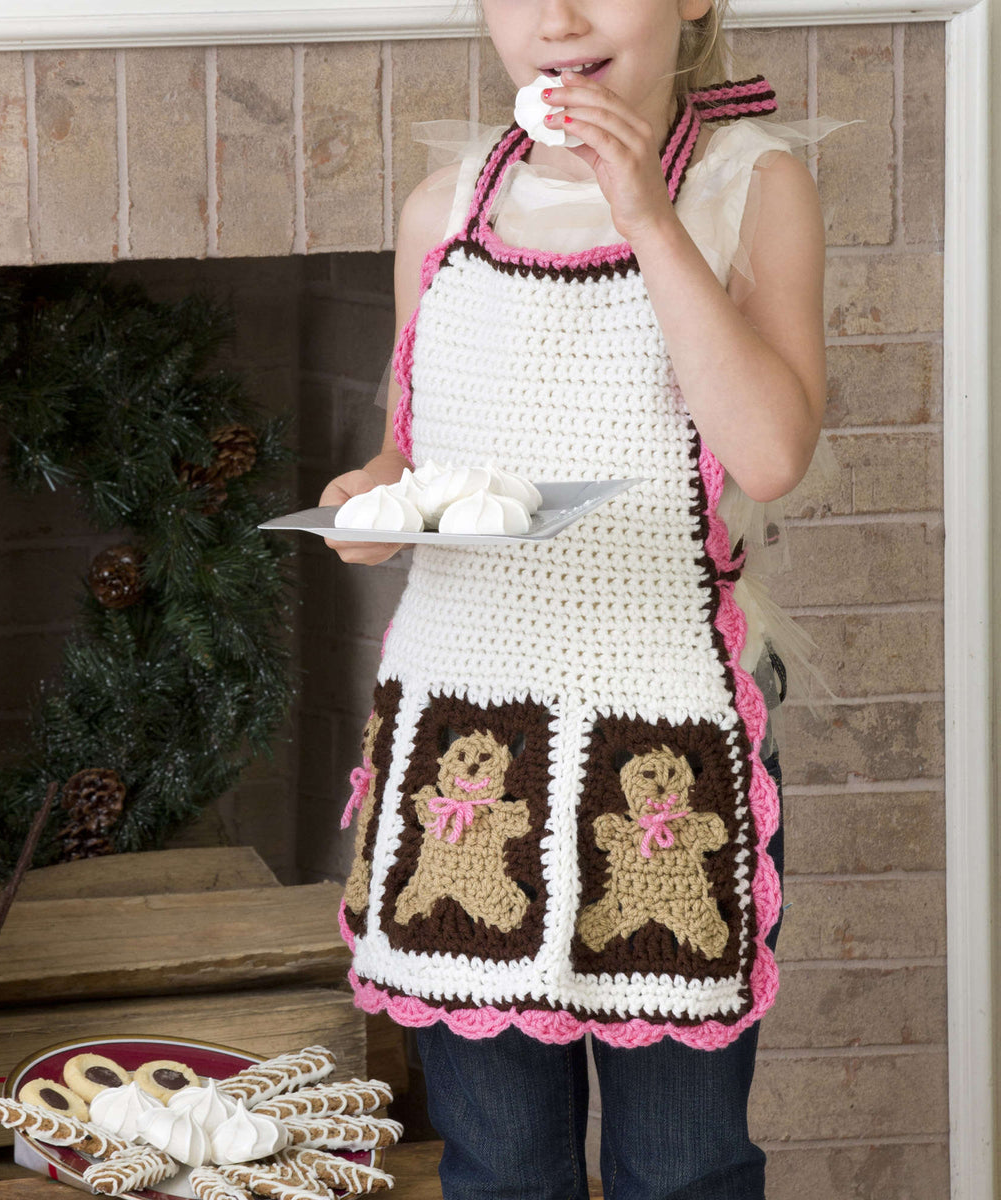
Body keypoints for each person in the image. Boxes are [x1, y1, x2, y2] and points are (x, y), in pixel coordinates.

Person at [320, 1, 827, 1196]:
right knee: (499, 1161)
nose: (555, 18)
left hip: (665, 747)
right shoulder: (440, 209)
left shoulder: (752, 186)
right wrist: (372, 497)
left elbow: (768, 455)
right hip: (466, 763)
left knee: (685, 1165)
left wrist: (646, 211)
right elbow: (415, 448)